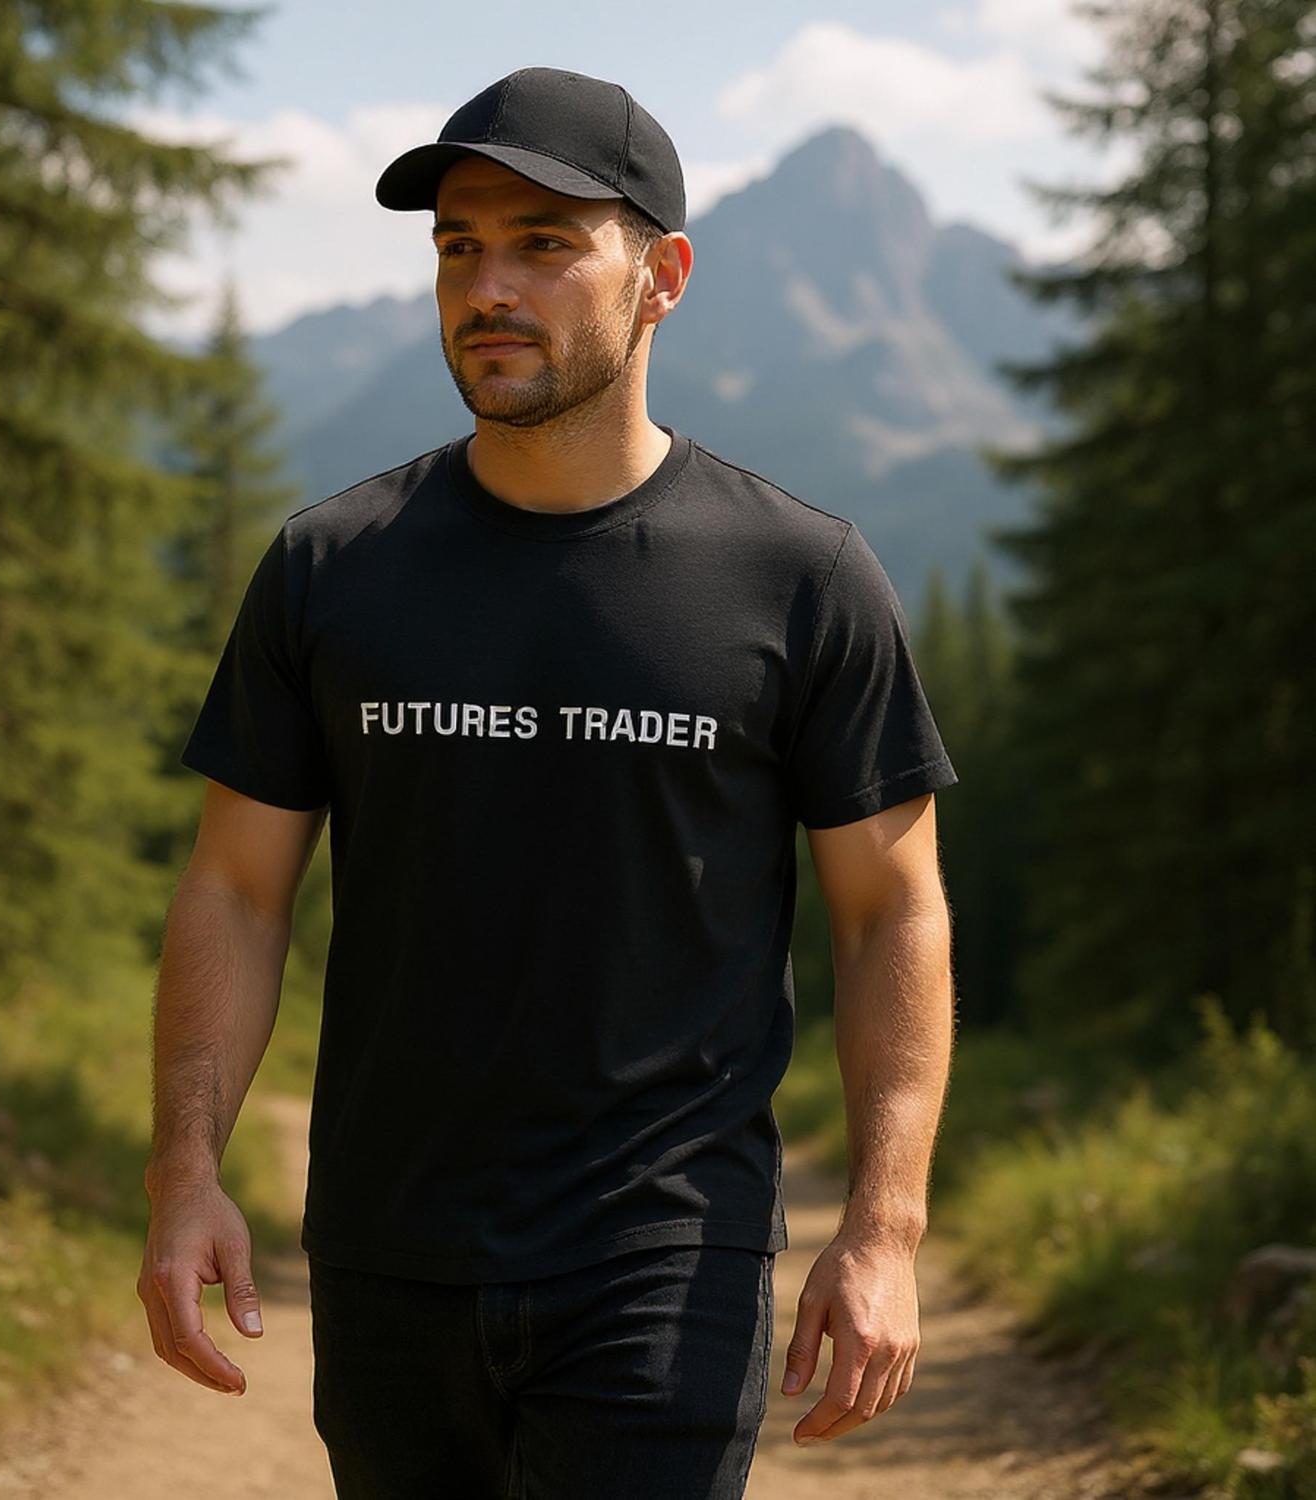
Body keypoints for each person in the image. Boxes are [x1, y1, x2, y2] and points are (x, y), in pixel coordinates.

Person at [140, 64, 960, 1500]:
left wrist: (885, 1227)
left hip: (665, 1258)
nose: (487, 283)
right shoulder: (332, 567)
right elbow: (235, 889)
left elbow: (893, 911)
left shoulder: (802, 578)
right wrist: (185, 1173)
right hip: (388, 1257)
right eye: (459, 244)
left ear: (664, 277)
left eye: (542, 240)